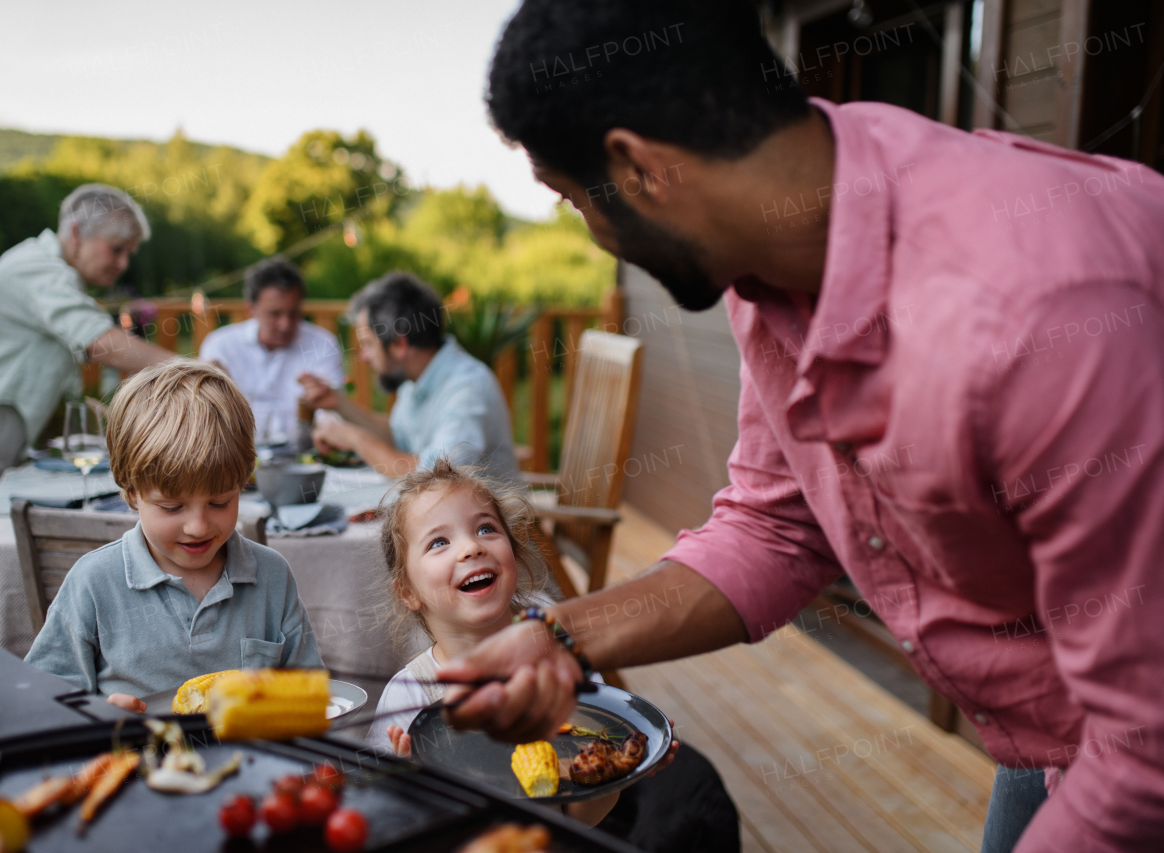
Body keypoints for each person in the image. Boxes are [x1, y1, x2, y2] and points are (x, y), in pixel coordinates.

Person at [439, 3, 1164, 852]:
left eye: (571, 200)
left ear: (638, 169)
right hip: (1061, 716)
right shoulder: (775, 256)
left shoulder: (1040, 316)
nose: (593, 235)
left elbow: (1145, 750)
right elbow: (776, 527)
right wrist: (560, 637)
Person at [364, 459, 676, 827]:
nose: (470, 548)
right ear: (408, 592)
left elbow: (582, 816)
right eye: (439, 541)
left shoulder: (554, 650)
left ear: (514, 550)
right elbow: (382, 817)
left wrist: (612, 772)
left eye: (485, 528)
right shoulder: (410, 694)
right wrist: (408, 786)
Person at [25, 360, 322, 712]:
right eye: (171, 507)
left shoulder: (271, 575)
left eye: (219, 502)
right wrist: (97, 718)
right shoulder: (93, 583)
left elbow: (311, 696)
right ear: (132, 493)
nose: (198, 526)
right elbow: (40, 705)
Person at [0, 184, 175, 554]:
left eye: (129, 253)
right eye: (117, 248)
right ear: (76, 233)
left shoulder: (48, 269)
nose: (123, 262)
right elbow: (97, 339)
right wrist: (191, 369)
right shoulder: (37, 269)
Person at [302, 271, 519, 483]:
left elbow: (435, 475)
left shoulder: (468, 387)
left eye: (368, 344)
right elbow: (398, 437)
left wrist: (354, 438)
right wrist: (339, 404)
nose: (363, 356)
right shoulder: (416, 377)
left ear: (399, 345)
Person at [199, 256, 344, 446]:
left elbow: (332, 415)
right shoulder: (221, 346)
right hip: (236, 458)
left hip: (305, 457)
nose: (285, 325)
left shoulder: (323, 344)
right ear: (251, 308)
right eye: (274, 314)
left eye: (294, 313)